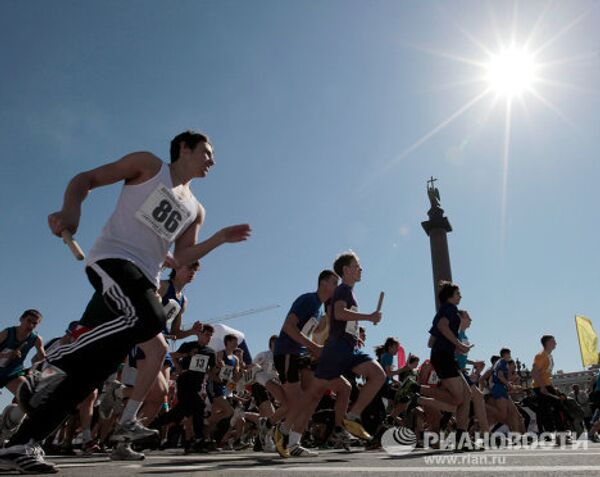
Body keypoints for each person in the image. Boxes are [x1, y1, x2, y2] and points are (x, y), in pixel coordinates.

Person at [0, 130, 251, 474]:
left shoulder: (196, 209)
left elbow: (182, 256)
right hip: (113, 261)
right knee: (150, 319)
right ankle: (50, 360)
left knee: (91, 374)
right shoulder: (148, 166)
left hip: (143, 280)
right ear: (184, 148)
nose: (213, 160)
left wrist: (220, 238)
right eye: (207, 152)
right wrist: (69, 213)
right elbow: (84, 179)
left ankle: (22, 444)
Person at [531, 335, 571, 444]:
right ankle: (559, 436)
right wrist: (543, 387)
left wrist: (552, 388)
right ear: (548, 343)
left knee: (547, 411)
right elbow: (534, 372)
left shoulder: (549, 356)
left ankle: (554, 435)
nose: (556, 343)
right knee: (558, 408)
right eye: (554, 341)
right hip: (540, 387)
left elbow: (545, 375)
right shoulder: (541, 355)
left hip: (545, 385)